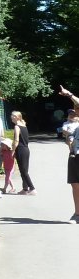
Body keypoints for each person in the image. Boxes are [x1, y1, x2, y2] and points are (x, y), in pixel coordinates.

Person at [57, 86, 79, 221]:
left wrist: (69, 94)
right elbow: (70, 140)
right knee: (75, 184)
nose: (76, 110)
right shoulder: (74, 125)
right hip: (74, 155)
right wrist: (69, 140)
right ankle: (77, 214)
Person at [10, 110, 35, 195]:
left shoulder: (17, 127)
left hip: (20, 150)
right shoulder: (24, 126)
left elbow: (16, 140)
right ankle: (25, 189)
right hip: (26, 150)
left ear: (17, 117)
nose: (11, 117)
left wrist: (13, 151)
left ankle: (32, 188)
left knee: (24, 171)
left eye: (12, 116)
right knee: (23, 170)